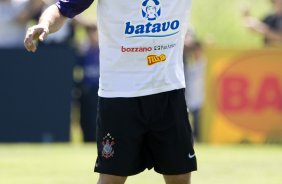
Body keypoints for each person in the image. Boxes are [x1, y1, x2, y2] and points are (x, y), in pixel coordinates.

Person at [24, 0, 197, 184]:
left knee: (179, 176)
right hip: (119, 95)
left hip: (169, 91)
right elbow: (62, 9)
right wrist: (45, 24)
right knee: (112, 178)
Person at [75, 24, 100, 142]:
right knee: (86, 118)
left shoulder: (105, 50)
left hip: (101, 91)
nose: (91, 35)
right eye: (89, 32)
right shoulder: (84, 51)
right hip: (88, 90)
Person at [184, 36, 207, 142]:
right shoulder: (188, 64)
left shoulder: (203, 62)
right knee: (187, 120)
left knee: (197, 121)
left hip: (198, 96)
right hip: (188, 96)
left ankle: (198, 138)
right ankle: (190, 138)